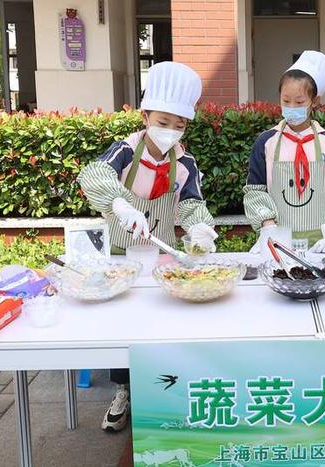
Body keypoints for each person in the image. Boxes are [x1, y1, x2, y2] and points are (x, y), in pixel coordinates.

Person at [77, 61, 217, 431]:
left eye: (180, 125)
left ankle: (163, 391)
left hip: (161, 255)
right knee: (122, 327)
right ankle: (123, 391)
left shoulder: (184, 161)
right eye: (164, 121)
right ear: (145, 116)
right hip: (121, 255)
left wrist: (200, 228)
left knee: (161, 327)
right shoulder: (124, 150)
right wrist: (120, 204)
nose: (170, 131)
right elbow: (94, 174)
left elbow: (190, 202)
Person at [243, 51, 325, 253]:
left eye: (299, 102)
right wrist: (268, 227)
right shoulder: (266, 142)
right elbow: (255, 190)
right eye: (286, 101)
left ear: (314, 101)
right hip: (277, 243)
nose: (291, 107)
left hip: (321, 244)